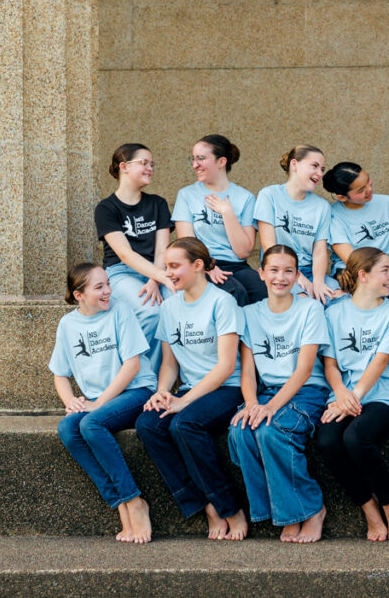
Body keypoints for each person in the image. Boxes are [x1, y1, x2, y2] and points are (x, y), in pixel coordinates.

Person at [134, 237, 249, 540]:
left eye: (175, 266)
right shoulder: (170, 306)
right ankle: (203, 503)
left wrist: (184, 403)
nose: (168, 273)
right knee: (148, 424)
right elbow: (170, 363)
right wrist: (163, 392)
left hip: (227, 387)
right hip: (190, 388)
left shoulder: (222, 302)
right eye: (166, 266)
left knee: (185, 425)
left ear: (198, 265)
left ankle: (229, 507)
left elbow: (226, 366)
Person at [228, 245, 331, 543]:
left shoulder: (310, 309)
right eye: (274, 270)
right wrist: (250, 404)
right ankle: (280, 508)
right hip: (266, 391)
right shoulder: (249, 314)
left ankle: (311, 509)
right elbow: (247, 370)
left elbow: (304, 368)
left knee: (273, 432)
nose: (280, 277)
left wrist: (270, 407)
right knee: (240, 430)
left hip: (307, 390)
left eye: (288, 271)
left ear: (298, 276)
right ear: (261, 274)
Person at [50, 263, 155, 544]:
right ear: (78, 295)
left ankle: (134, 502)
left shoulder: (120, 310)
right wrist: (70, 401)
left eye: (108, 284)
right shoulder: (68, 324)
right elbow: (60, 373)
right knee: (67, 429)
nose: (108, 291)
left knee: (92, 424)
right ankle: (120, 502)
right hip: (100, 402)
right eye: (99, 287)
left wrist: (98, 404)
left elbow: (132, 365)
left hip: (136, 391)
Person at [316, 247, 389, 542]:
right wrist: (341, 392)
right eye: (385, 270)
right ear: (363, 275)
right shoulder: (334, 312)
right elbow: (329, 363)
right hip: (344, 393)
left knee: (356, 438)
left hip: (383, 396)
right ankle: (368, 508)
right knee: (328, 440)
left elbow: (380, 362)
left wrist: (352, 397)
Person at [322, 162, 389, 386]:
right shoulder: (333, 214)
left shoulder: (386, 203)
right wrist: (385, 275)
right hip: (357, 273)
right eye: (360, 190)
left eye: (368, 181)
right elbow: (349, 257)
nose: (368, 190)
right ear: (342, 197)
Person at [94, 143, 174, 372]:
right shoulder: (106, 208)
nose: (150, 168)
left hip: (154, 270)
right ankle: (141, 378)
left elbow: (162, 251)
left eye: (152, 164)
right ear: (124, 167)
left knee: (176, 306)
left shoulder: (157, 204)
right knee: (151, 312)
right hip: (121, 272)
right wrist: (160, 277)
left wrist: (155, 279)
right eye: (144, 163)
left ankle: (165, 379)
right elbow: (125, 254)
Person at [173, 134, 264, 306]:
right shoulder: (187, 195)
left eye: (201, 158)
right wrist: (208, 266)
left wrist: (227, 213)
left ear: (221, 162)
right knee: (233, 293)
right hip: (202, 265)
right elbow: (185, 243)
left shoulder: (245, 198)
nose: (195, 165)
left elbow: (243, 251)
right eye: (193, 159)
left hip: (237, 266)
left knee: (263, 290)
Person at [254, 145, 339, 304]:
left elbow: (320, 251)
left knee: (338, 298)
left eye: (322, 169)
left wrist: (319, 282)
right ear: (294, 165)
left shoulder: (322, 206)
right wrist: (297, 276)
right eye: (314, 166)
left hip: (310, 271)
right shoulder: (269, 195)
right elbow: (268, 245)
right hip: (279, 271)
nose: (320, 173)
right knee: (304, 303)